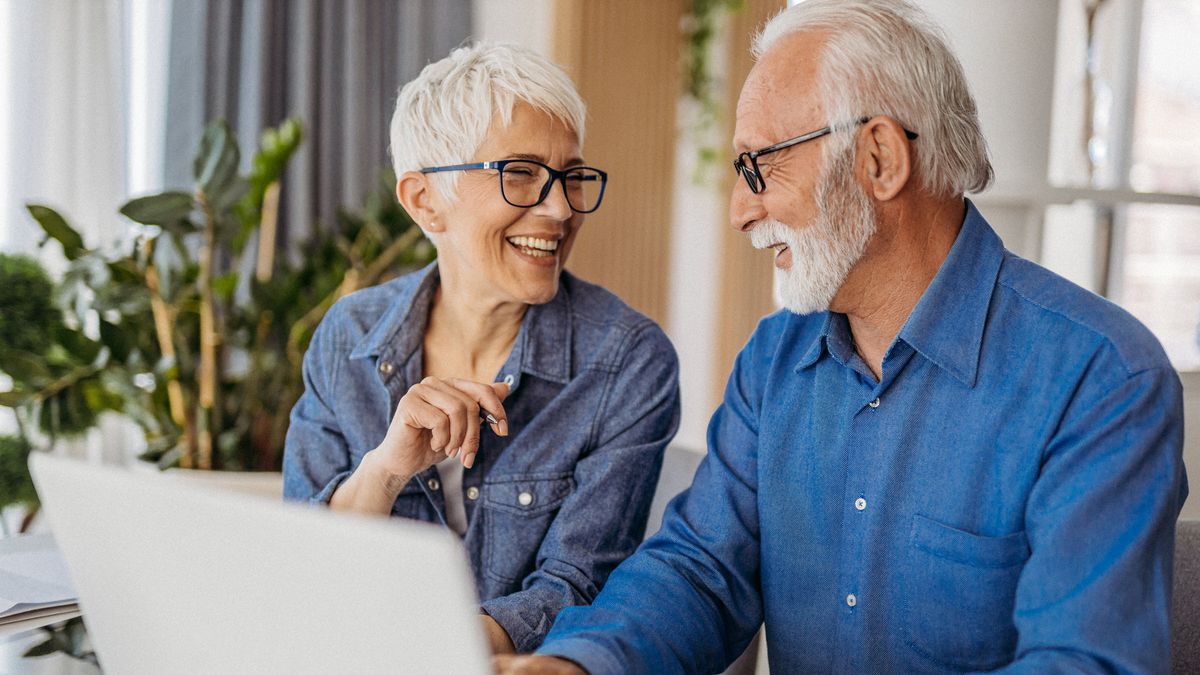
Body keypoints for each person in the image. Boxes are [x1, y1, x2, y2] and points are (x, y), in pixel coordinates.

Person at [496, 1, 1188, 673]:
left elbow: (1083, 662)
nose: (741, 210)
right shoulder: (774, 359)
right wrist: (577, 664)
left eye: (758, 165)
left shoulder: (1100, 377)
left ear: (879, 157)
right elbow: (700, 571)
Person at [281, 42, 680, 655]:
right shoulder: (347, 338)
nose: (559, 209)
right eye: (520, 175)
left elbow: (577, 587)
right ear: (423, 201)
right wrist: (386, 470)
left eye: (571, 176)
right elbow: (300, 576)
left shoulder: (628, 360)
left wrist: (430, 654)